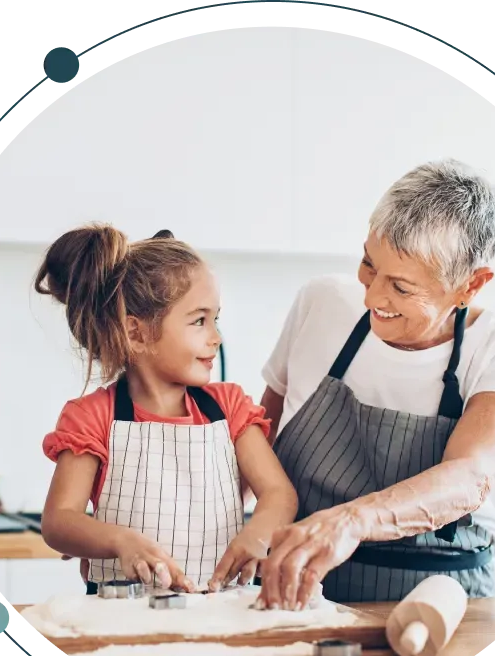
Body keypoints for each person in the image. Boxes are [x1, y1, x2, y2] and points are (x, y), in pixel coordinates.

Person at [255, 159, 495, 611]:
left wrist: (350, 522)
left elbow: (470, 475)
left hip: (447, 605)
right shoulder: (321, 303)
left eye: (402, 287)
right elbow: (261, 431)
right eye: (369, 265)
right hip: (299, 594)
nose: (372, 297)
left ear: (471, 285)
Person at [35, 225, 298, 595]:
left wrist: (258, 534)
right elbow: (59, 521)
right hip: (120, 612)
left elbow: (279, 494)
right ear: (136, 333)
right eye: (199, 320)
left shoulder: (229, 407)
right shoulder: (93, 416)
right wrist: (120, 541)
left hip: (217, 607)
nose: (216, 337)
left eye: (215, 318)